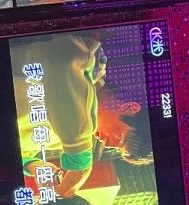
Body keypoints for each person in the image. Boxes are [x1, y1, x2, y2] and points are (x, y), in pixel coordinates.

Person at [12, 34, 153, 198]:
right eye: (120, 138)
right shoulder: (88, 62)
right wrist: (81, 163)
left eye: (116, 148)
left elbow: (21, 153)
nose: (107, 144)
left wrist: (33, 165)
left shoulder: (70, 136)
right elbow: (63, 61)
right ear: (129, 108)